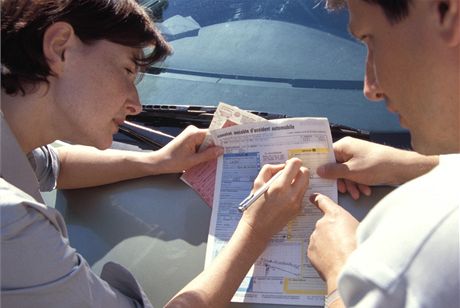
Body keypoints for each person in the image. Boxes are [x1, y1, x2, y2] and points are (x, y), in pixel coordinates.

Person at [0, 0, 309, 307]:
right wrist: (255, 230)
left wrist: (156, 161)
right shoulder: (12, 224)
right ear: (60, 47)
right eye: (126, 70)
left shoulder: (16, 142)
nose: (136, 105)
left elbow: (55, 165)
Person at [307, 0, 459, 307]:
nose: (370, 87)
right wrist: (408, 165)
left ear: (448, 12)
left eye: (371, 40)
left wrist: (342, 273)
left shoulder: (417, 255)